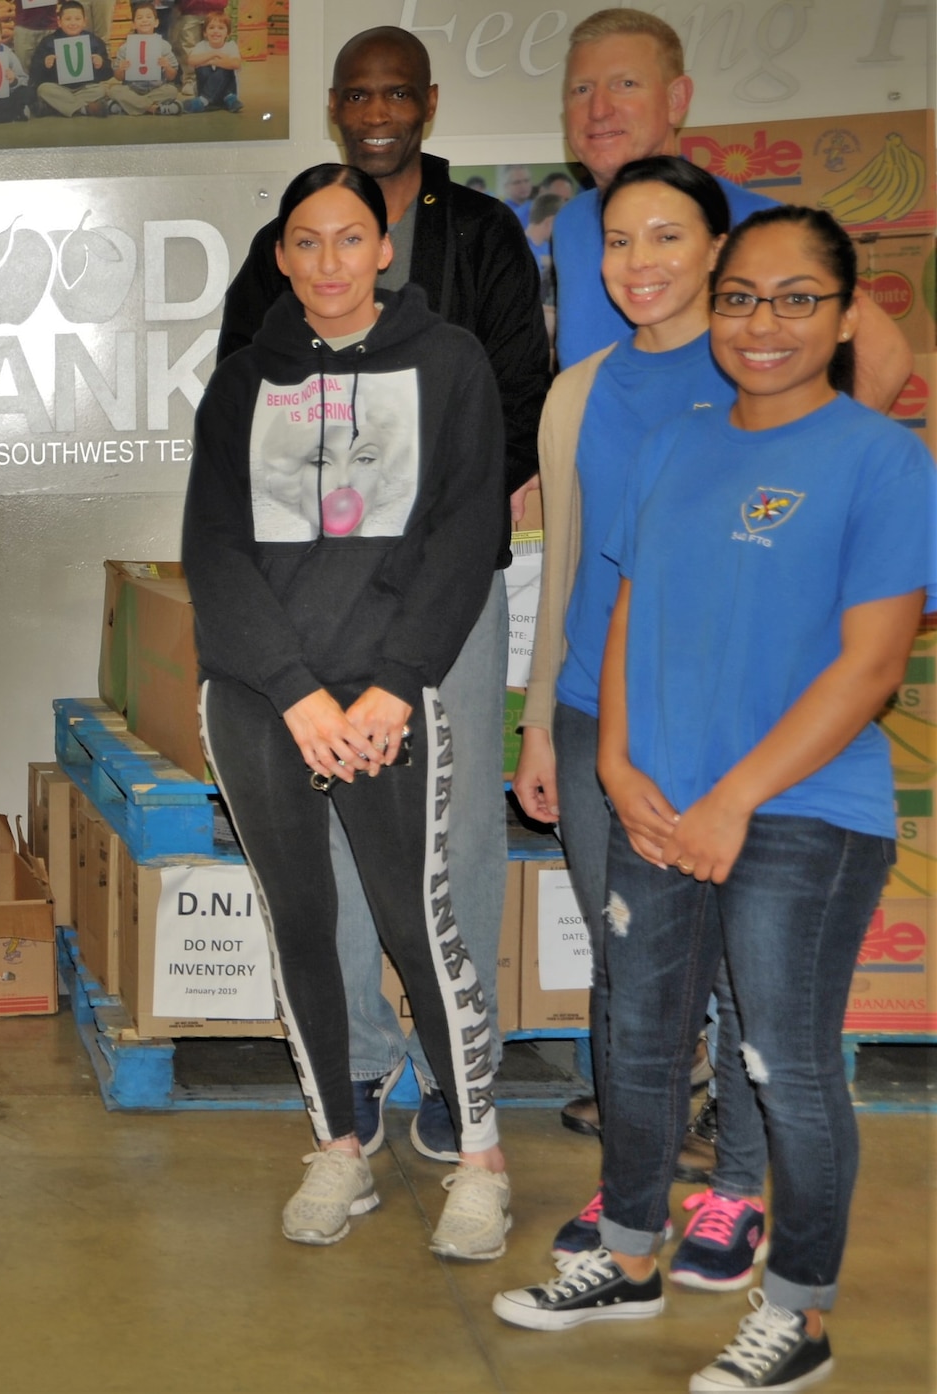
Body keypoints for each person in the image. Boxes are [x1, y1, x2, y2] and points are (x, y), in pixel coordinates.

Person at [495, 205, 933, 1394]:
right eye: (741, 296)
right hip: (656, 799)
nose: (762, 322)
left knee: (779, 1059)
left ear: (844, 317)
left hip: (802, 811)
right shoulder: (676, 442)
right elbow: (627, 607)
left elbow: (871, 665)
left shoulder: (883, 459)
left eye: (796, 299)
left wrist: (733, 796)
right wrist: (620, 766)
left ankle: (794, 1314)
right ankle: (627, 1256)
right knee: (636, 1039)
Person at [219, 26, 548, 1168]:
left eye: (394, 91)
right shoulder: (276, 251)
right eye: (356, 93)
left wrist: (449, 514)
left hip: (441, 599)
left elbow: (514, 384)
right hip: (315, 609)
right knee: (333, 832)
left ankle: (462, 1085)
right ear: (330, 106)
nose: (376, 108)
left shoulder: (481, 233)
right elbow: (239, 416)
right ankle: (357, 1054)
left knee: (445, 841)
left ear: (426, 102)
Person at [183, 163, 511, 1257]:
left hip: (385, 698)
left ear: (383, 249)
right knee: (303, 923)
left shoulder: (448, 363)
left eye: (349, 238)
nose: (327, 262)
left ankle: (478, 1155)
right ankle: (336, 1142)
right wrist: (291, 695)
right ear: (279, 257)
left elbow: (464, 535)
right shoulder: (241, 384)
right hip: (261, 701)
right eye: (304, 242)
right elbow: (214, 551)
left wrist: (391, 683)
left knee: (418, 920)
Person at [513, 155, 775, 1292]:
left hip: (727, 725)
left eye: (665, 238)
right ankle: (634, 1187)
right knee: (629, 967)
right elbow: (563, 568)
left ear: (717, 250)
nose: (637, 265)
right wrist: (534, 727)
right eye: (616, 241)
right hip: (585, 720)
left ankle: (741, 1190)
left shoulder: (761, 385)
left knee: (739, 972)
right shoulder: (575, 394)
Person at [550, 9, 910, 410]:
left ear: (675, 101)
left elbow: (884, 355)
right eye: (581, 89)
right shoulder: (569, 224)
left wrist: (805, 461)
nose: (598, 108)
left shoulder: (761, 226)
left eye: (626, 84)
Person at [30, 2, 112, 118]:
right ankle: (84, 109)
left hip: (85, 88)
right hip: (59, 88)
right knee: (44, 89)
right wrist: (45, 64)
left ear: (84, 21)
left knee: (101, 89)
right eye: (68, 19)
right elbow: (35, 72)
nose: (73, 23)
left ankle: (57, 107)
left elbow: (108, 73)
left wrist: (101, 64)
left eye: (77, 19)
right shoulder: (48, 42)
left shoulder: (94, 41)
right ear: (59, 21)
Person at [103, 1, 183, 116]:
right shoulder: (125, 47)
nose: (144, 20)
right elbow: (118, 77)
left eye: (148, 17)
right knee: (114, 90)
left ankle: (129, 106)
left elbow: (172, 76)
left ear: (156, 22)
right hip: (132, 89)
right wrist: (121, 69)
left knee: (171, 90)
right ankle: (152, 108)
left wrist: (167, 66)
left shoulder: (163, 45)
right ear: (134, 24)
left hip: (156, 88)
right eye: (140, 18)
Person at [182, 13, 242, 114]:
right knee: (203, 69)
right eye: (211, 28)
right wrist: (213, 54)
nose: (216, 31)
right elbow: (191, 61)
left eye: (221, 28)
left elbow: (236, 64)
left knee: (224, 69)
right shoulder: (201, 46)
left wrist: (214, 62)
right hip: (204, 88)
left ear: (228, 33)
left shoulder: (231, 46)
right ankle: (207, 100)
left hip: (227, 92)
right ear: (205, 33)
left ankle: (205, 101)